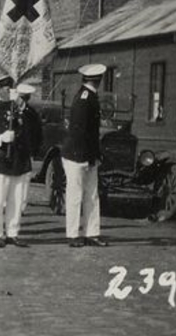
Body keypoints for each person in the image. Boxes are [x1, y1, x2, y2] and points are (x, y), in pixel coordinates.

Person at [0, 82, 42, 248]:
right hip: (0, 161)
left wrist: (25, 144)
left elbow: (36, 136)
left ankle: (13, 233)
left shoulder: (29, 113)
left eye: (26, 98)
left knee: (17, 200)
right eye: (20, 97)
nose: (22, 101)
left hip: (20, 162)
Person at [63, 64, 109, 248]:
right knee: (76, 195)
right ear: (98, 80)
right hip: (77, 155)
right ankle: (73, 235)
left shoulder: (89, 96)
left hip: (86, 155)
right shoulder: (85, 98)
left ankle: (92, 233)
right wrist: (88, 157)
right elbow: (80, 131)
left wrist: (93, 156)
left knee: (91, 195)